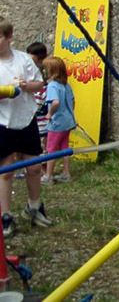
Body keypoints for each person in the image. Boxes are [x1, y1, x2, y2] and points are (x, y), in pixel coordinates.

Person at [0, 16, 52, 237]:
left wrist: (25, 86)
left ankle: (34, 207)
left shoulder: (23, 59)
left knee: (33, 167)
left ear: (9, 37)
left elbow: (39, 84)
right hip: (3, 123)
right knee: (6, 171)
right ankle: (5, 216)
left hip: (26, 119)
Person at [14, 42, 48, 180]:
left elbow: (40, 91)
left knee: (39, 149)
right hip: (26, 115)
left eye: (31, 56)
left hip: (37, 119)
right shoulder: (25, 65)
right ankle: (25, 168)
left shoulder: (40, 71)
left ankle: (44, 172)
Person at [42, 56, 76, 184]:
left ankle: (48, 176)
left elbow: (55, 102)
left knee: (51, 149)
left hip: (57, 123)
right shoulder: (66, 85)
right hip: (68, 121)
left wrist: (50, 113)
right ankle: (66, 173)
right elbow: (73, 101)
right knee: (64, 148)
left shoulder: (52, 86)